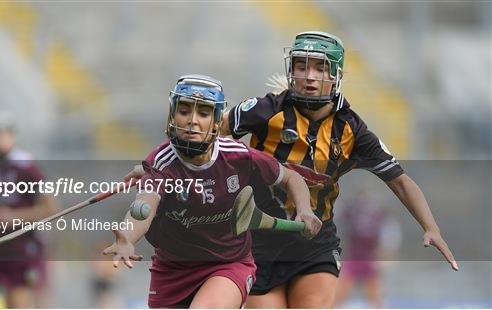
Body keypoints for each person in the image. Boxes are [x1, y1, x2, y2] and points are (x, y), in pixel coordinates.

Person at [217, 31, 458, 308]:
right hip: (259, 242)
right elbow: (212, 138)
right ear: (291, 69)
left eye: (321, 68)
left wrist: (431, 227)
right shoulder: (265, 110)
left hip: (315, 242)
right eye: (302, 66)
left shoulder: (351, 129)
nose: (309, 76)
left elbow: (400, 181)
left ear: (336, 75)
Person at [103, 75, 322, 308]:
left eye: (204, 113)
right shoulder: (161, 164)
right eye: (184, 111)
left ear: (217, 122)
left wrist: (305, 210)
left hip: (228, 265)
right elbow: (143, 207)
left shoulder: (238, 155)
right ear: (172, 116)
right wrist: (126, 238)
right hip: (172, 271)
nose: (192, 121)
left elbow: (290, 177)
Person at [0, 113, 57, 308]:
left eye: (5, 134)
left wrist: (15, 217)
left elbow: (50, 208)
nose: (0, 140)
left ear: (13, 136)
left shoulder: (28, 167)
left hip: (21, 252)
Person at [334, 188, 401, 308]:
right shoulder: (350, 212)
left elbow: (389, 240)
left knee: (375, 297)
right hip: (352, 258)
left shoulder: (381, 216)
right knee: (339, 294)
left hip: (370, 260)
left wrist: (385, 258)